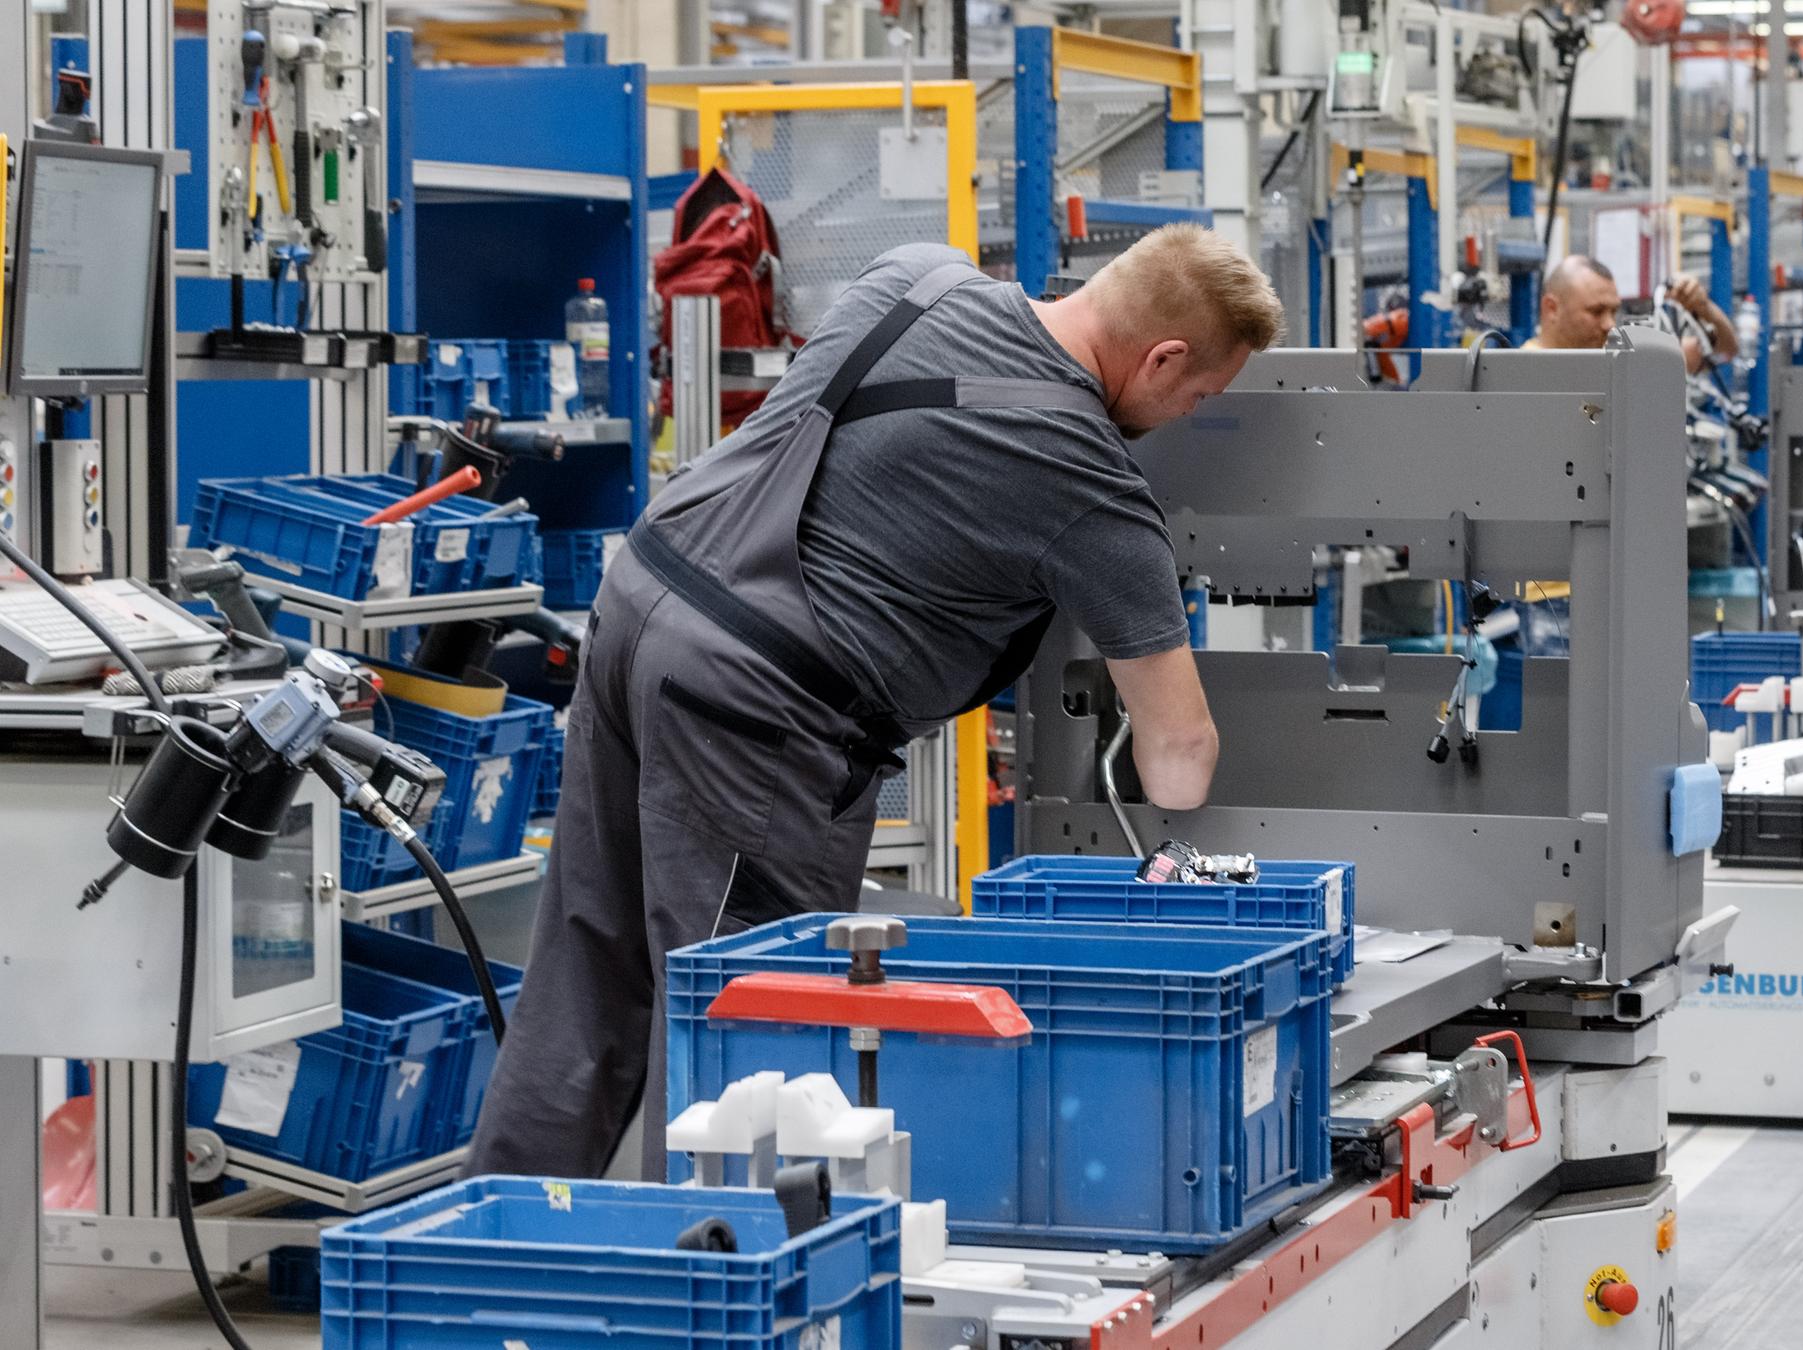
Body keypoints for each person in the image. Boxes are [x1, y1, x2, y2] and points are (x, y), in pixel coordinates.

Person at [469, 227, 1284, 1180]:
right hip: (752, 713)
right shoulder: (1090, 484)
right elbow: (1179, 755)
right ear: (1164, 357)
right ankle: (715, 1265)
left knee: (586, 972)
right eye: (1199, 396)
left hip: (639, 605)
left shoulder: (917, 274)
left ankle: (489, 1247)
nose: (1187, 416)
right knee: (747, 1045)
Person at [1523, 255, 1737, 375]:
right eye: (1596, 311)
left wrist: (1703, 307)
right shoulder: (1523, 375)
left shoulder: (1624, 364)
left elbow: (1724, 350)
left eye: (1613, 311)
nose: (1609, 324)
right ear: (1552, 308)